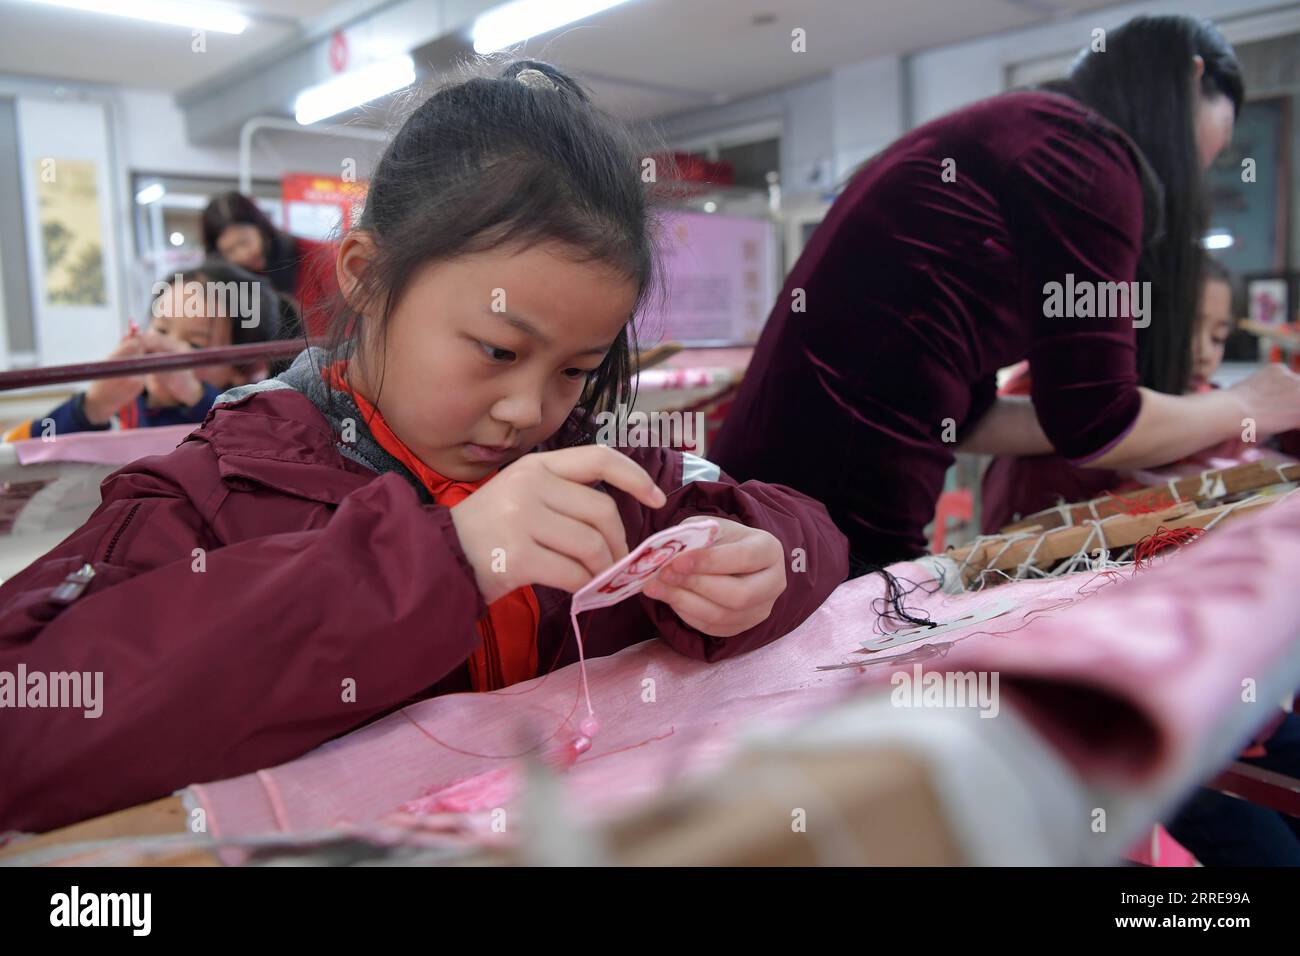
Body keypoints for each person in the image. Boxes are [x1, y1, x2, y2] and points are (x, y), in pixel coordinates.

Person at [0, 60, 848, 834]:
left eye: (576, 369)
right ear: (365, 275)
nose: (527, 410)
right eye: (497, 350)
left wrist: (762, 566)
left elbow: (807, 534)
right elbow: (26, 728)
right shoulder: (215, 495)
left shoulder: (595, 472)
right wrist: (444, 562)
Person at [710, 14, 1300, 570]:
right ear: (1193, 76)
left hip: (773, 480)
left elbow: (974, 418)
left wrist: (1183, 416)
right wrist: (1247, 405)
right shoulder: (1087, 155)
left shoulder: (1027, 130)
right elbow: (1099, 427)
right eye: (1212, 148)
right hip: (827, 506)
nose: (1196, 173)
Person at [980, 257, 1239, 531]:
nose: (1204, 354)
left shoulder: (1210, 408)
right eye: (1186, 332)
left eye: (1218, 338)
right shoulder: (1051, 450)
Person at [3, 261, 282, 440]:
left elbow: (261, 441)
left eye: (195, 345)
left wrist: (198, 398)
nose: (164, 349)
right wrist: (91, 406)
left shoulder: (251, 423)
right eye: (160, 330)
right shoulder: (119, 405)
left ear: (247, 369)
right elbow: (18, 451)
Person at [202, 191, 339, 338]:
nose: (243, 255)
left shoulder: (313, 256)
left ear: (261, 229)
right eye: (230, 251)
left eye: (244, 242)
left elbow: (346, 320)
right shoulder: (227, 286)